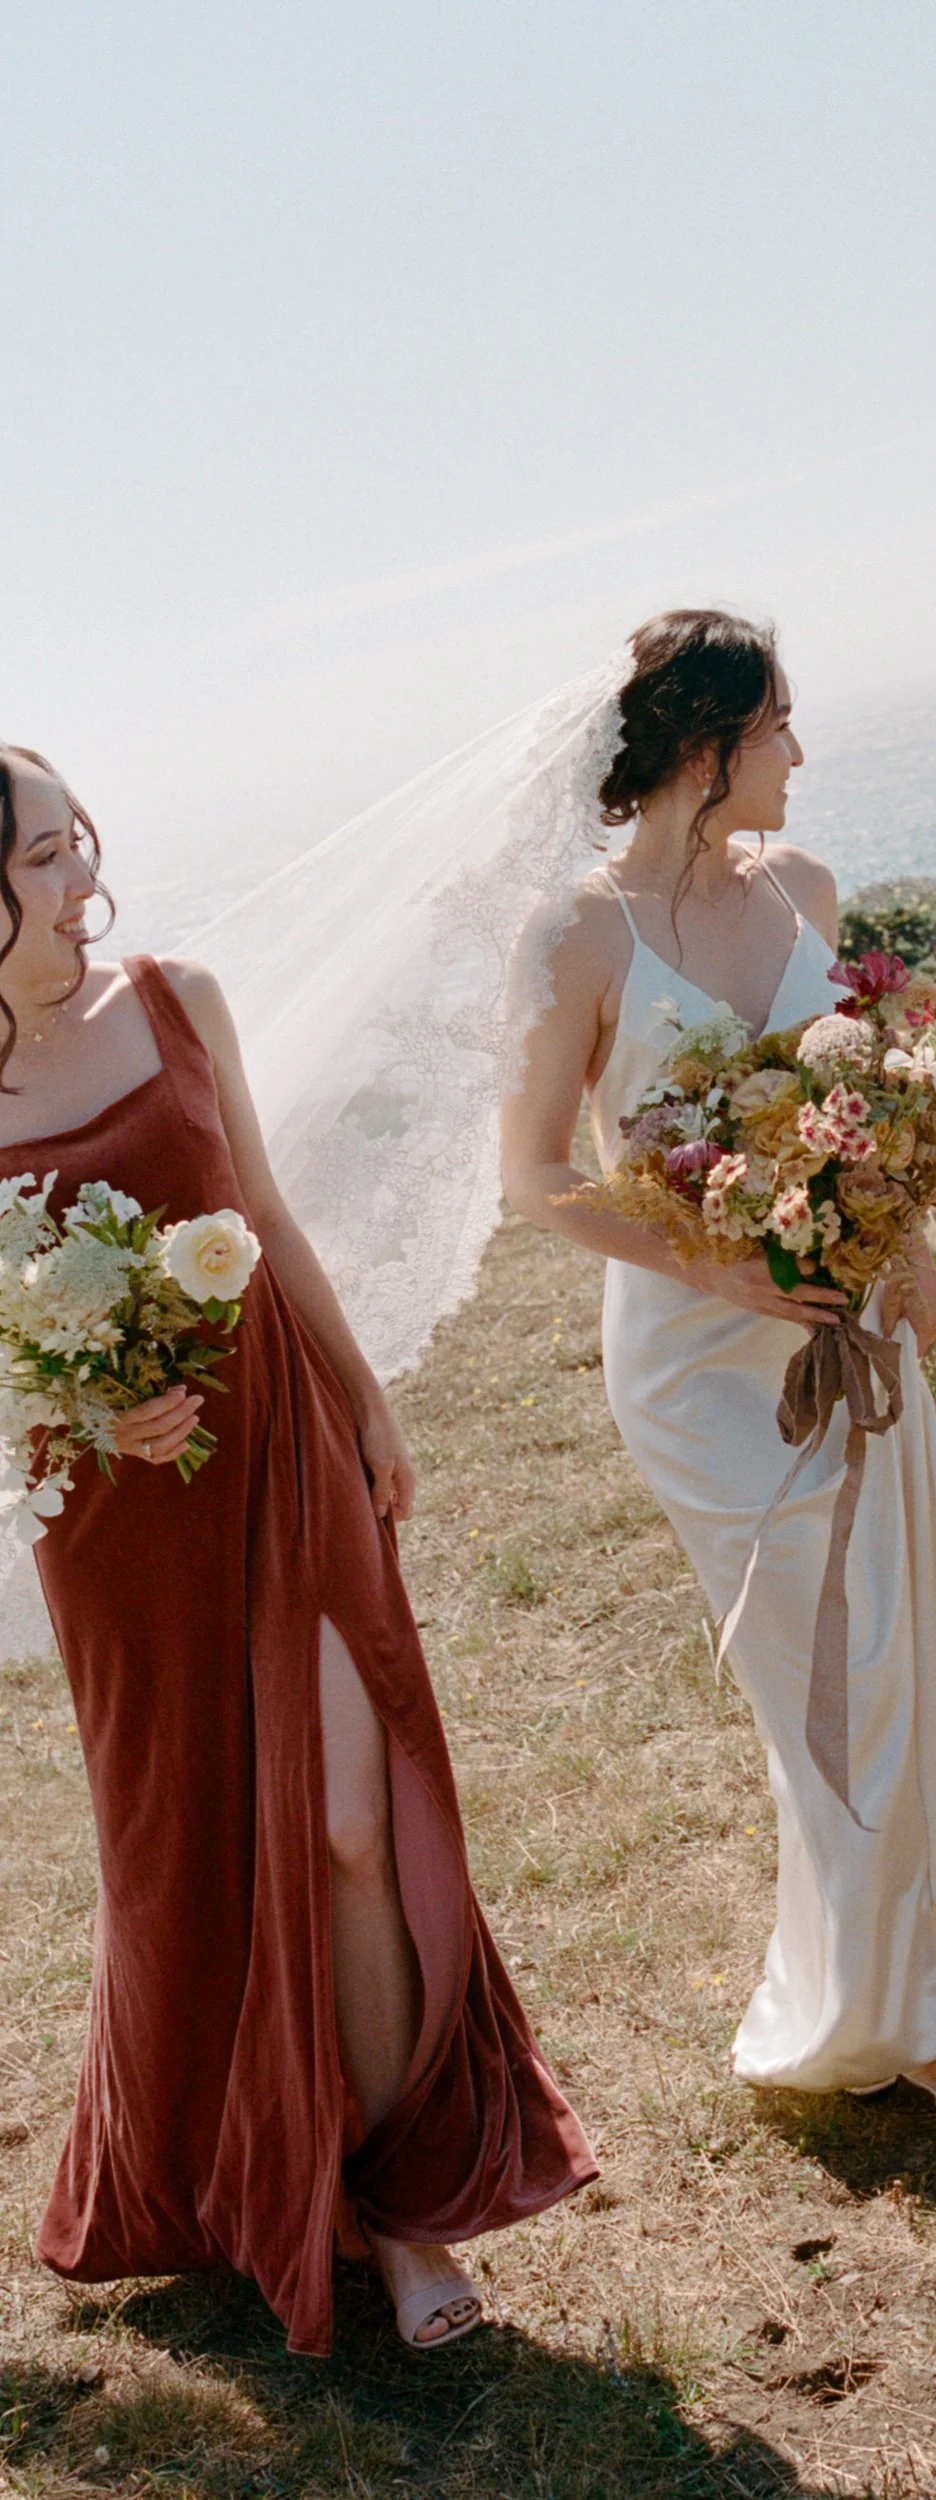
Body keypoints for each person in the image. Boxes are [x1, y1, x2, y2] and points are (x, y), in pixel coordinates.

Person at [0, 745, 596, 2358]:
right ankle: (255, 2177)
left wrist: (364, 1398)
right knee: (181, 1848)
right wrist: (58, 1407)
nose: (78, 877)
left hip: (277, 1450)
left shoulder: (177, 998)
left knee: (348, 1822)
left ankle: (402, 2205)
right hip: (116, 1516)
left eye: (74, 840)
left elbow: (260, 1207)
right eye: (40, 857)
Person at [500, 610, 936, 2139]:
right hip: (704, 1367)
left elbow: (871, 1097)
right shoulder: (577, 937)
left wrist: (903, 1241)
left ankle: (914, 1987)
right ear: (703, 747)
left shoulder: (804, 889)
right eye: (777, 729)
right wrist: (723, 1267)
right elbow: (541, 1179)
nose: (799, 756)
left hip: (856, 1333)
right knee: (830, 1681)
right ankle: (929, 2027)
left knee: (907, 1651)